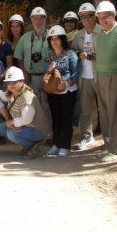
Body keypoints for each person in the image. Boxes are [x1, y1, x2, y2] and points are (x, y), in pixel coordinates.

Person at [95, 1, 117, 162]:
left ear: (114, 16)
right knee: (104, 113)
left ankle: (116, 149)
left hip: (115, 76)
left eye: (106, 16)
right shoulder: (100, 34)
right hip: (100, 75)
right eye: (100, 17)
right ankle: (108, 145)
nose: (103, 20)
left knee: (114, 113)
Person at [0, 67, 51, 159]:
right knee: (0, 128)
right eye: (8, 83)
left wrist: (12, 123)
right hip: (25, 125)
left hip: (37, 129)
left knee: (11, 134)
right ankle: (27, 141)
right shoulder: (13, 93)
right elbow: (3, 95)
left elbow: (27, 119)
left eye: (14, 82)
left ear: (22, 81)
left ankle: (32, 147)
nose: (11, 85)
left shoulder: (26, 96)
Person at [43, 26, 79, 157]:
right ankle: (56, 144)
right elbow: (45, 73)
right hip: (53, 92)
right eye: (52, 39)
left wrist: (66, 84)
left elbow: (76, 73)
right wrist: (50, 69)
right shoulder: (49, 56)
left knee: (66, 119)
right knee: (56, 119)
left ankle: (65, 146)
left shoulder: (71, 54)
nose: (54, 41)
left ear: (62, 40)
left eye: (57, 38)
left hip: (68, 92)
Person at [72, 2, 102, 151]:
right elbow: (74, 51)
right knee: (85, 110)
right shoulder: (78, 35)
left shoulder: (102, 31)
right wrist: (79, 54)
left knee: (105, 108)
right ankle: (86, 137)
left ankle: (109, 139)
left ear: (95, 16)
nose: (86, 19)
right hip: (84, 78)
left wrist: (94, 56)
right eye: (83, 17)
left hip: (100, 76)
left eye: (89, 15)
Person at [14, 7, 50, 115]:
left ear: (45, 19)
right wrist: (24, 72)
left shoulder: (51, 35)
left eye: (41, 18)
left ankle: (48, 131)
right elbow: (19, 57)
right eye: (35, 18)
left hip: (47, 78)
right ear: (31, 20)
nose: (38, 21)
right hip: (30, 78)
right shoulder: (25, 37)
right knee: (31, 107)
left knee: (47, 107)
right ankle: (35, 130)